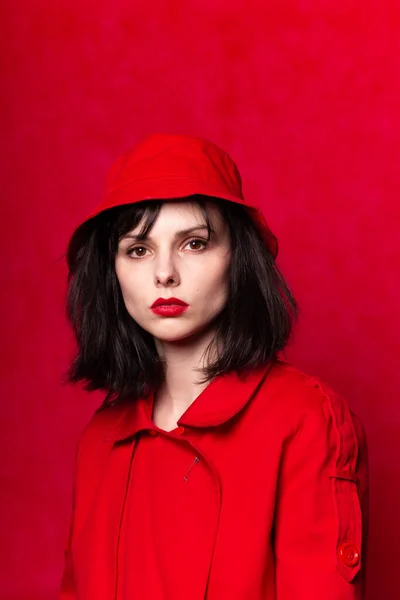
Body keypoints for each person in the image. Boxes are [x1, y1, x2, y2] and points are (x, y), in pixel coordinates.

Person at [60, 133, 368, 600]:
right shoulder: (100, 438)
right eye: (138, 249)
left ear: (237, 259)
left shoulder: (304, 419)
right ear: (113, 271)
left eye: (195, 244)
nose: (164, 272)